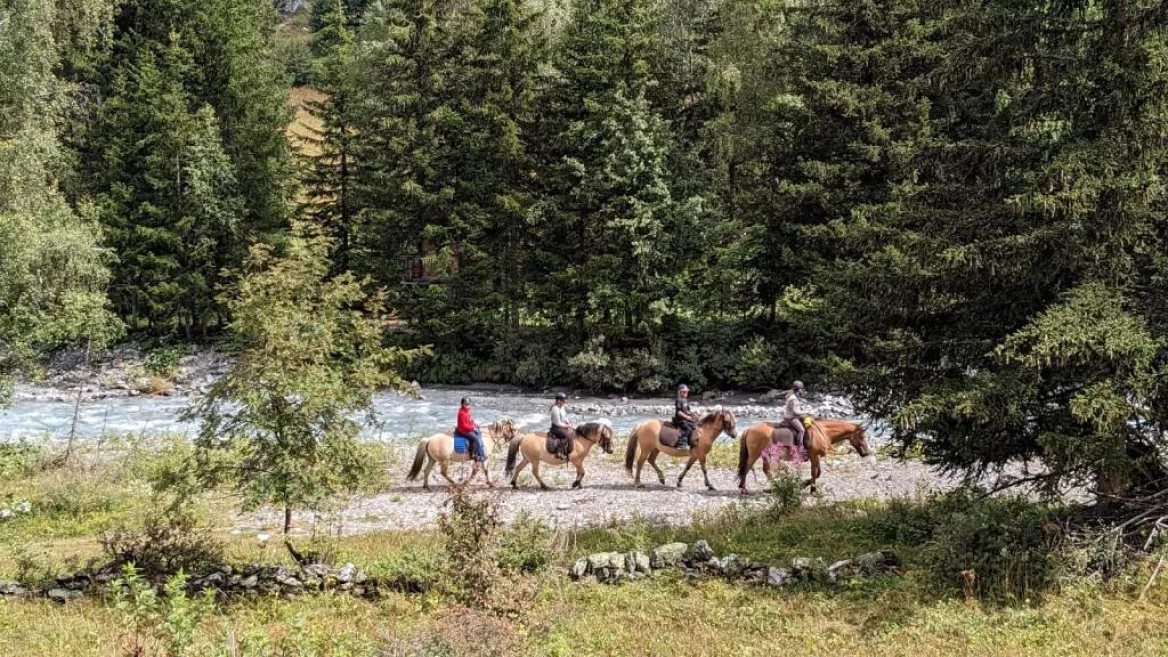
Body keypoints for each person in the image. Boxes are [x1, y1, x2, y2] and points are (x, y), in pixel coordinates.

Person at [456, 397, 486, 463]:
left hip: (467, 429)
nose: (468, 405)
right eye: (466, 404)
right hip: (463, 430)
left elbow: (470, 420)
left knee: (478, 433)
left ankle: (476, 451)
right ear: (462, 404)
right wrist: (473, 428)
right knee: (477, 438)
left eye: (469, 404)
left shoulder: (466, 411)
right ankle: (480, 456)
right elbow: (464, 426)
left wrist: (475, 424)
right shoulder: (461, 413)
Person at [782, 381, 809, 451]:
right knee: (801, 430)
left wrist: (802, 410)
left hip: (792, 415)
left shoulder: (794, 396)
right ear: (799, 390)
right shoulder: (793, 398)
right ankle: (799, 448)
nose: (802, 390)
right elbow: (795, 412)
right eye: (801, 389)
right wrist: (805, 412)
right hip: (791, 417)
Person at [549, 392, 574, 460]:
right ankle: (558, 451)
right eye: (564, 400)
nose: (565, 402)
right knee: (568, 437)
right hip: (556, 428)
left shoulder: (562, 407)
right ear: (559, 401)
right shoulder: (555, 409)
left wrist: (568, 422)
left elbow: (564, 417)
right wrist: (567, 426)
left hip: (562, 425)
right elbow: (557, 423)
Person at [673, 383, 697, 450]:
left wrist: (693, 414)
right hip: (679, 419)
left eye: (686, 391)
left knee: (694, 425)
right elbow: (679, 412)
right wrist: (687, 417)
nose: (686, 393)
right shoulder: (678, 400)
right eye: (684, 392)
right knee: (688, 428)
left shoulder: (685, 400)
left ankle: (690, 441)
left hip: (685, 418)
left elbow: (687, 410)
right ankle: (681, 442)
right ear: (679, 392)